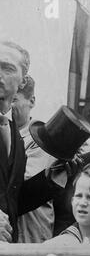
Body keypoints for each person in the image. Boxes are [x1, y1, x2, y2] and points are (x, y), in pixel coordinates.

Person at [0, 41, 77, 243]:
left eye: (7, 68)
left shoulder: (13, 135)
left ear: (22, 82)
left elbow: (12, 200)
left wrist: (51, 178)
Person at [12, 75, 56, 243]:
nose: (6, 105)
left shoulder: (40, 138)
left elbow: (21, 186)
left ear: (32, 101)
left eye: (14, 99)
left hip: (29, 230)